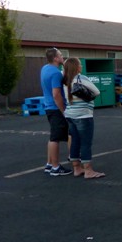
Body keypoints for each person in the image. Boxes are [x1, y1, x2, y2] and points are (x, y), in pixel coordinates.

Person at [62, 58, 104, 179]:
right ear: (77, 67)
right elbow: (96, 92)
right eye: (80, 64)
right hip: (83, 115)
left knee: (75, 141)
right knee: (86, 143)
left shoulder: (65, 81)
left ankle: (76, 168)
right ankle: (88, 170)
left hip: (70, 114)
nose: (81, 66)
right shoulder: (81, 78)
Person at [40, 47, 72, 176]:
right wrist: (63, 110)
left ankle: (49, 164)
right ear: (55, 58)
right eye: (60, 55)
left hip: (48, 107)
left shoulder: (45, 69)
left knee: (53, 136)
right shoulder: (55, 73)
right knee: (55, 138)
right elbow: (56, 94)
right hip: (55, 108)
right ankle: (55, 167)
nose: (62, 56)